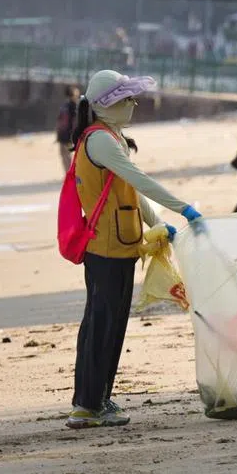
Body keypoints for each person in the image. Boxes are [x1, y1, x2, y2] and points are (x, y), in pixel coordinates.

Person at [66, 70, 201, 429]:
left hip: (121, 246)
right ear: (107, 105)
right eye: (127, 99)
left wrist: (157, 222)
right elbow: (140, 179)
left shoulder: (111, 137)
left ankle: (96, 399)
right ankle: (89, 405)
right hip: (106, 250)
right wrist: (183, 207)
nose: (133, 104)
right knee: (102, 325)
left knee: (109, 324)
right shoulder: (100, 141)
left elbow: (132, 191)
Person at [56, 86, 81, 172]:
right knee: (65, 154)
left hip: (65, 134)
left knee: (65, 154)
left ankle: (69, 173)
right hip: (67, 134)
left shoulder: (66, 106)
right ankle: (69, 173)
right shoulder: (72, 105)